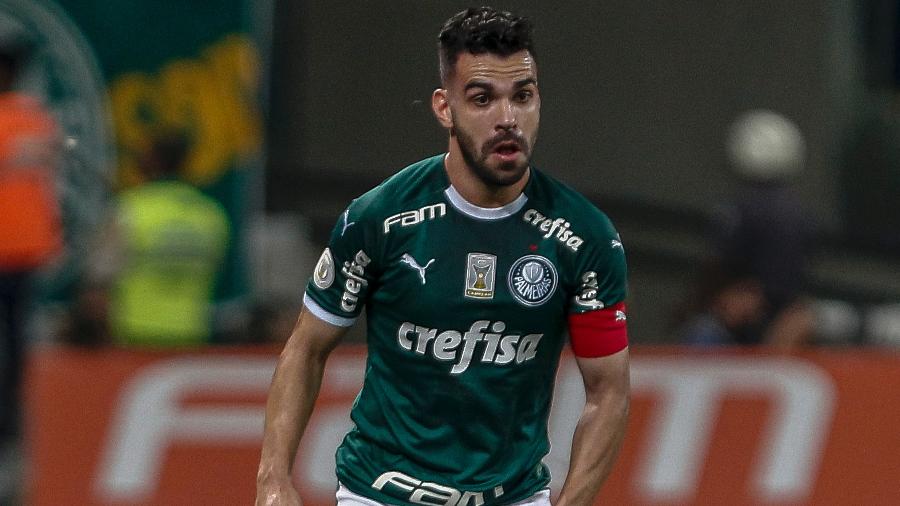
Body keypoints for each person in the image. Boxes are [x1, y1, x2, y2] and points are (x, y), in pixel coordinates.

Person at [257, 7, 630, 506]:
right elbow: (305, 348)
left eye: (523, 96)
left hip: (513, 496)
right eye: (482, 99)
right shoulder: (378, 218)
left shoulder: (585, 238)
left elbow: (608, 391)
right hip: (381, 493)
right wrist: (274, 479)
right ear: (444, 107)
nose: (507, 119)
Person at [78, 131, 230, 347]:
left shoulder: (130, 210)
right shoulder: (210, 214)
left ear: (153, 161)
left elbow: (98, 285)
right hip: (192, 335)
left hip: (134, 335)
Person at [0, 38, 62, 447]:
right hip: (27, 248)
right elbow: (51, 186)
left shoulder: (30, 118)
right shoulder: (36, 118)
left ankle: (10, 425)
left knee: (18, 345)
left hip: (17, 248)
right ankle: (12, 424)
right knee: (18, 343)